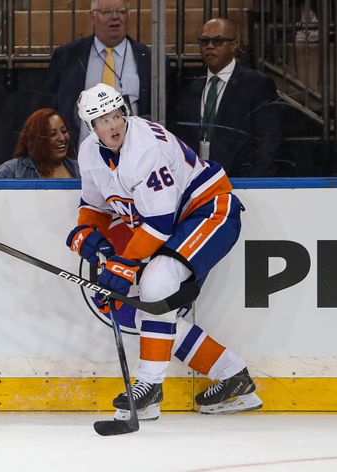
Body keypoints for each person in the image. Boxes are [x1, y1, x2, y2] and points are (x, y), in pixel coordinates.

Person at [65, 82, 262, 420]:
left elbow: (157, 223)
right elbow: (95, 206)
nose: (113, 126)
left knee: (156, 286)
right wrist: (86, 231)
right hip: (176, 222)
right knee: (150, 311)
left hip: (209, 211)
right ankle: (231, 375)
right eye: (102, 120)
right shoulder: (89, 154)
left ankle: (149, 389)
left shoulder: (145, 149)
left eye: (116, 115)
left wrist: (122, 267)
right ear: (90, 127)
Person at [170, 18, 281, 178]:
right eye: (204, 41)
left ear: (234, 45)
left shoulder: (256, 84)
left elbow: (269, 140)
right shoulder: (191, 87)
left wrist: (256, 183)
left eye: (218, 41)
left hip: (241, 183)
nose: (209, 46)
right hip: (197, 184)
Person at [46, 0, 151, 148]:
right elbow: (49, 108)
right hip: (79, 158)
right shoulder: (67, 56)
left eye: (121, 11)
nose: (115, 17)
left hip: (133, 156)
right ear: (92, 17)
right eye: (107, 12)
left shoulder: (148, 59)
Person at [0, 108, 79, 179]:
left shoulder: (80, 169)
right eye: (53, 134)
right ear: (37, 140)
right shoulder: (11, 170)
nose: (62, 138)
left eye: (64, 131)